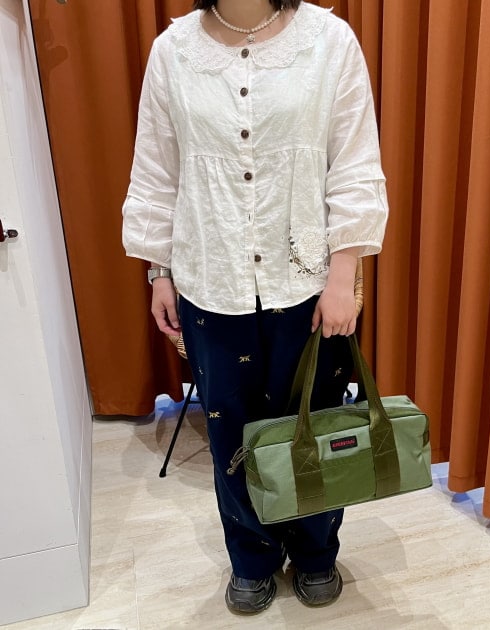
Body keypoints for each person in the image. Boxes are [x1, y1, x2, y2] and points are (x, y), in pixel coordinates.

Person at [122, 0, 388, 615]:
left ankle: (316, 552)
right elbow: (158, 170)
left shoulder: (329, 41)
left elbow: (354, 163)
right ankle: (252, 558)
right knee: (231, 434)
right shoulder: (174, 52)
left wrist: (343, 275)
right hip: (210, 281)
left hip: (309, 285)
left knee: (315, 427)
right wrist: (159, 271)